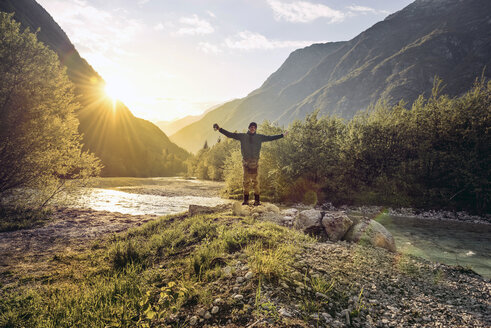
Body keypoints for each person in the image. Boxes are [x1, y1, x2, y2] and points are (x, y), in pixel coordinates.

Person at [213, 122, 287, 206]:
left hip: (255, 162)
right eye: (251, 127)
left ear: (255, 128)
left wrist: (282, 135)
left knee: (256, 182)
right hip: (246, 162)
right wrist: (219, 129)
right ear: (249, 128)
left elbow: (270, 138)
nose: (253, 128)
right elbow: (230, 135)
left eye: (254, 127)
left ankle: (257, 201)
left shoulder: (259, 137)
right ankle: (246, 201)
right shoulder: (242, 136)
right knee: (246, 181)